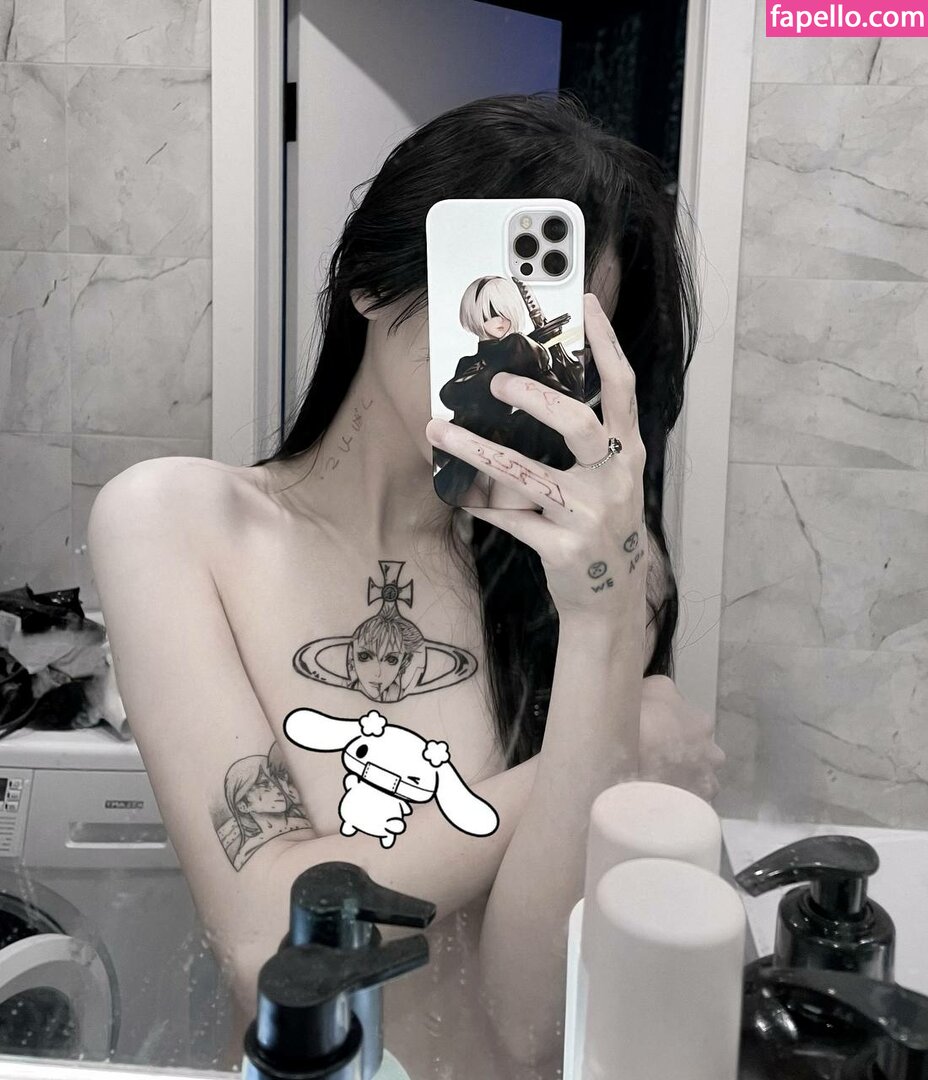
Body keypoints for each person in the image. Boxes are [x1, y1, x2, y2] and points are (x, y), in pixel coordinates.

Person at [87, 92, 725, 1079]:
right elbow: (272, 948)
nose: (523, 351)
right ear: (372, 283)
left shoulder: (590, 577)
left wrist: (603, 625)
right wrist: (612, 746)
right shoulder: (178, 523)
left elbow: (532, 1026)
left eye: (564, 328)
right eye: (495, 288)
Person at [434, 275, 580, 503]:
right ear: (474, 313)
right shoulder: (470, 362)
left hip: (505, 455)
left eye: (505, 311)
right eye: (491, 312)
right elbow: (451, 395)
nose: (501, 319)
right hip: (467, 460)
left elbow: (560, 396)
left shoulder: (520, 347)